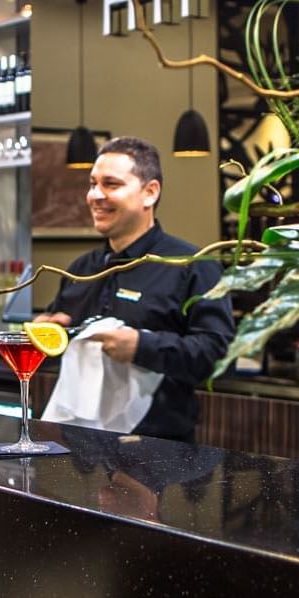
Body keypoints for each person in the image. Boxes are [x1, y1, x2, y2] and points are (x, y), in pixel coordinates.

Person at [35, 136, 235, 442]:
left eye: (111, 184)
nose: (95, 195)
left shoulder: (192, 266)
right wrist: (48, 336)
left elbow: (220, 357)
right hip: (78, 449)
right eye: (92, 184)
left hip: (158, 453)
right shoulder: (79, 270)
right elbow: (60, 348)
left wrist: (143, 347)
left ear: (150, 192)